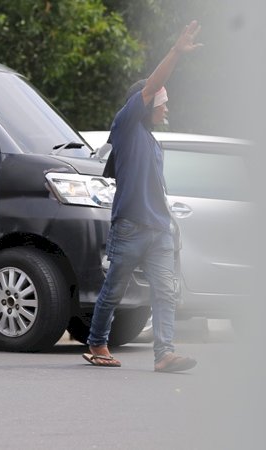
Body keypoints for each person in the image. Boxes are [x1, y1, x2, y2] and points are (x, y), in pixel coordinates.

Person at [82, 21, 202, 372]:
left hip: (158, 230)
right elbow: (153, 85)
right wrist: (176, 52)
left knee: (165, 293)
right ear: (145, 104)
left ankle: (164, 353)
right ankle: (97, 342)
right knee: (114, 290)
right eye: (161, 102)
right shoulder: (128, 126)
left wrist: (169, 223)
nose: (166, 107)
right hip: (130, 228)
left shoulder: (151, 140)